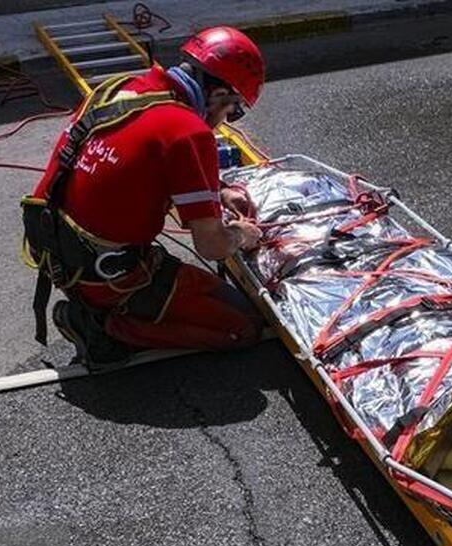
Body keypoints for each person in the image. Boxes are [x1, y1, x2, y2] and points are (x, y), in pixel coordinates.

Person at [21, 26, 267, 369]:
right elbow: (211, 246)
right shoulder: (188, 132)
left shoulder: (118, 88)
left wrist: (218, 191)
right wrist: (243, 234)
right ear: (219, 94)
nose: (227, 121)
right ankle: (101, 326)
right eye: (233, 109)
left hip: (57, 250)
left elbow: (136, 163)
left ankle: (102, 306)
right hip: (106, 274)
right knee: (244, 326)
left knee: (217, 298)